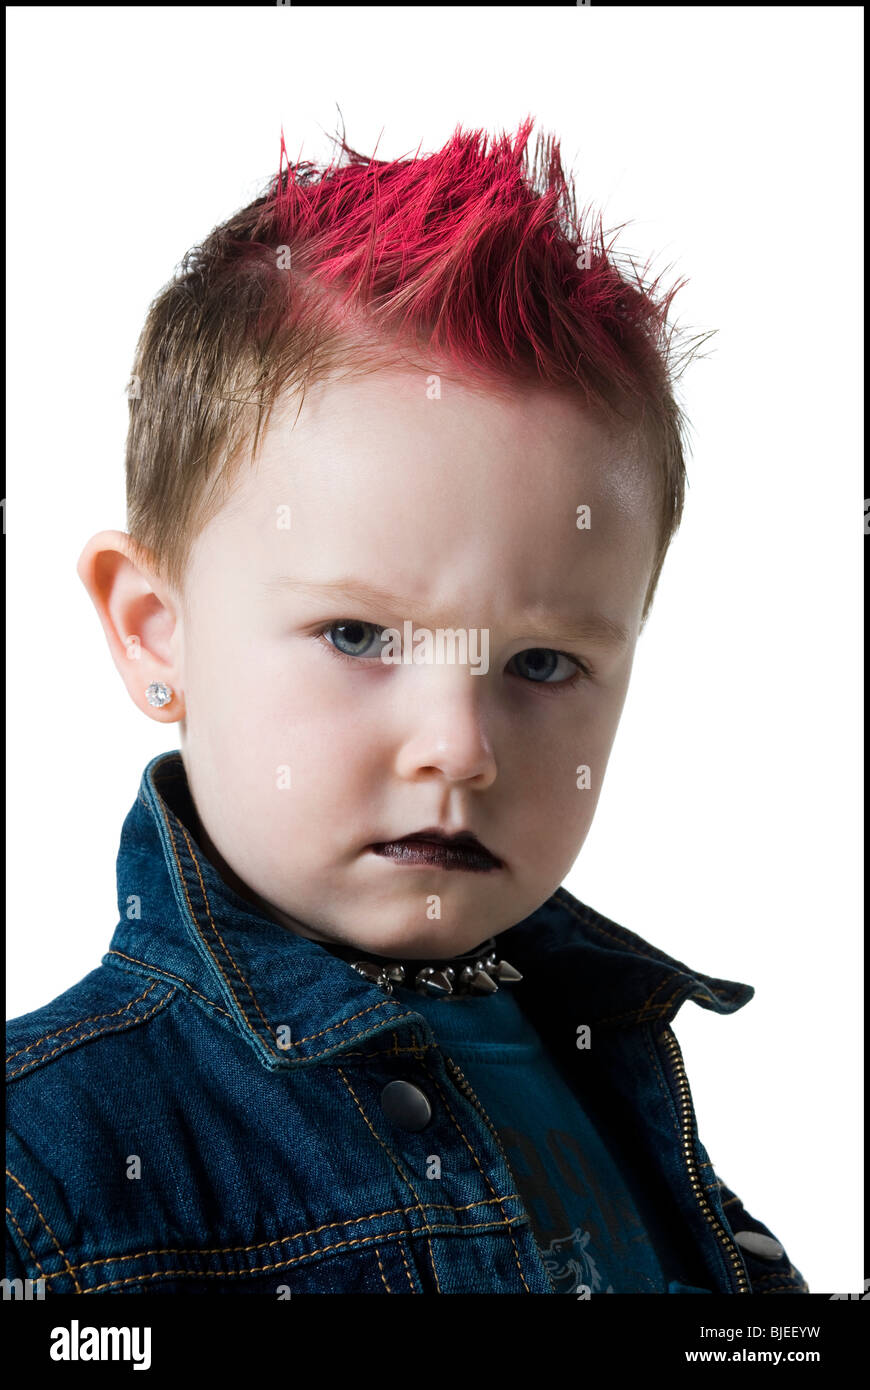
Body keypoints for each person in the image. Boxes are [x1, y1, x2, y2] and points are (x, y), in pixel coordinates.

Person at [5, 118, 808, 1295]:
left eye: (540, 664)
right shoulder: (43, 1176)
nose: (459, 748)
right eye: (359, 635)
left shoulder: (610, 1073)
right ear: (152, 630)